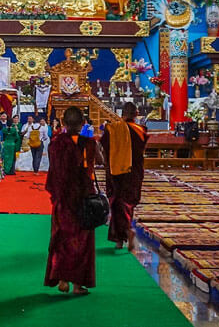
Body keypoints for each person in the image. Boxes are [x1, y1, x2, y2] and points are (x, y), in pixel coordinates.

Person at [45, 106, 102, 295]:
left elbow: (55, 170)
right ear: (83, 123)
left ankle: (62, 279)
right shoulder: (89, 143)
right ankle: (78, 285)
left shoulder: (55, 144)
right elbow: (96, 163)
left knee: (62, 237)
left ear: (62, 123)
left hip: (62, 198)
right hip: (84, 199)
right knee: (82, 241)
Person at [101, 102, 148, 250]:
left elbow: (103, 146)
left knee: (116, 203)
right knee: (127, 204)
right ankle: (123, 235)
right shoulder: (141, 130)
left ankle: (123, 235)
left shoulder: (113, 129)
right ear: (136, 114)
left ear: (122, 114)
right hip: (133, 171)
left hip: (116, 171)